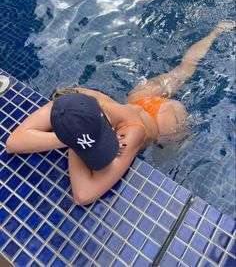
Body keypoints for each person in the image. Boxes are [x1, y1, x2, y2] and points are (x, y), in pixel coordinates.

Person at [6, 20, 235, 205]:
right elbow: (14, 143)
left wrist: (72, 145)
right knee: (180, 73)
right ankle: (216, 31)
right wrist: (68, 137)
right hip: (138, 98)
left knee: (167, 153)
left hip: (165, 120)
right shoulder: (73, 101)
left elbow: (83, 195)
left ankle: (216, 31)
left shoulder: (131, 134)